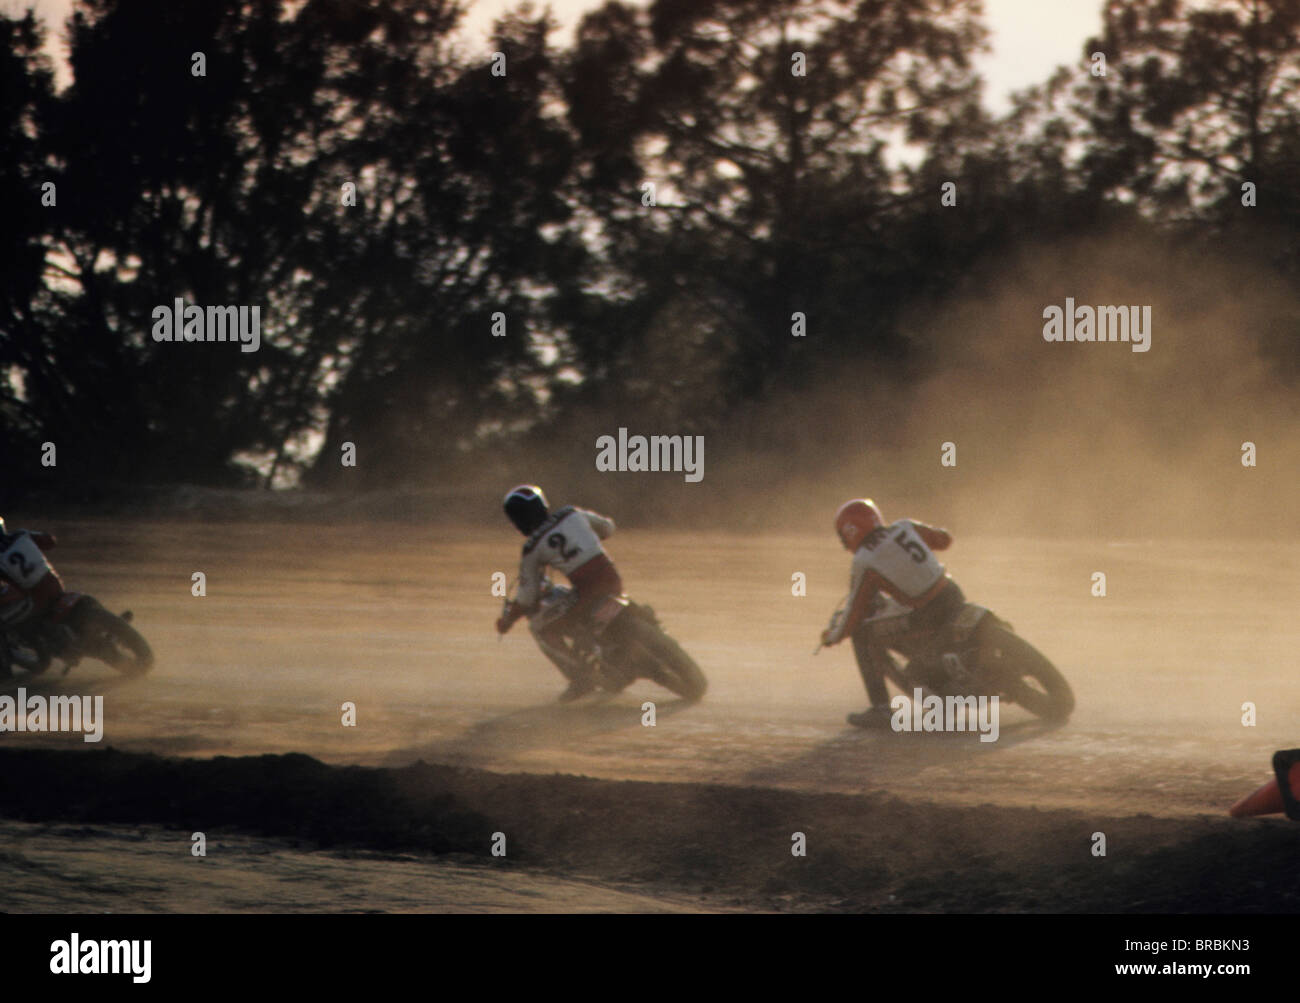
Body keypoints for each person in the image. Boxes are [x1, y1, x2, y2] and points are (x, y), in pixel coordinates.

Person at [819, 498, 965, 729]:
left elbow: (854, 613)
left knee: (863, 634)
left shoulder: (864, 560)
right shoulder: (904, 527)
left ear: (849, 531)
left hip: (926, 614)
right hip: (953, 595)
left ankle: (881, 708)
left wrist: (833, 636)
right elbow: (944, 540)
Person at [496, 485, 624, 701]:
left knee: (539, 626)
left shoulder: (532, 548)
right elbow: (608, 528)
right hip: (614, 581)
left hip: (586, 594)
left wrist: (508, 620)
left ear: (518, 520)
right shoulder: (571, 514)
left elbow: (527, 597)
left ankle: (581, 678)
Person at [0, 519, 65, 678]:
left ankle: (4, 668)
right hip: (56, 585)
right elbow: (50, 541)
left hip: (35, 599)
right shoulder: (21, 534)